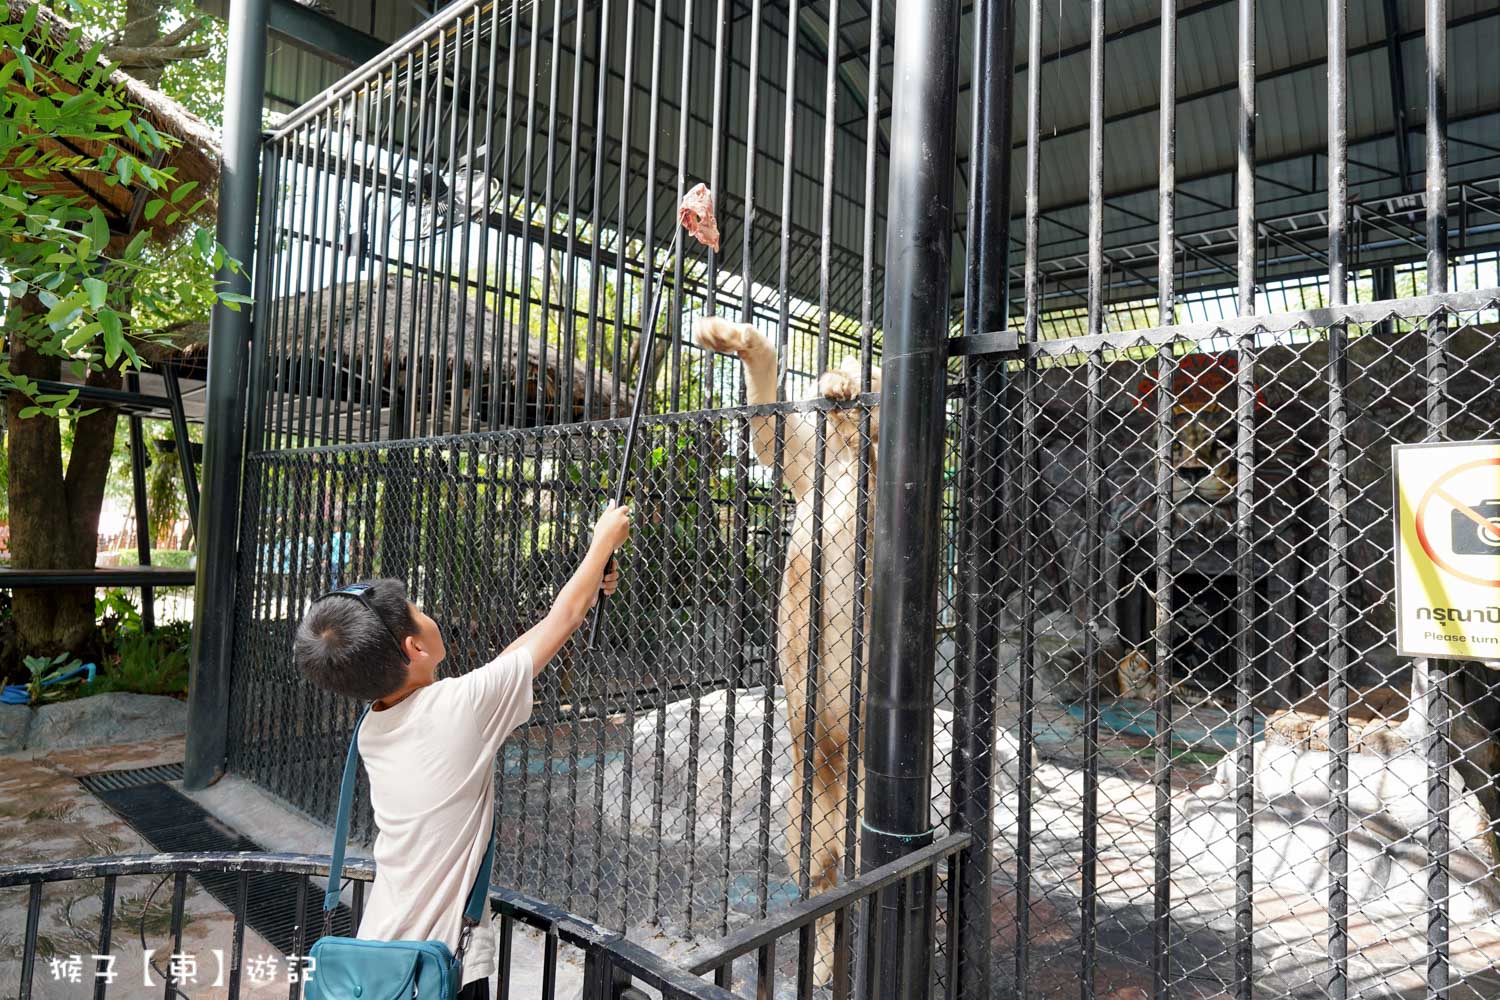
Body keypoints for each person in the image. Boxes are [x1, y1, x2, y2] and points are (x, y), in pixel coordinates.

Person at [292, 502, 632, 1000]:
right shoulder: (458, 709)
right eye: (417, 610)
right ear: (415, 647)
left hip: (375, 955)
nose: (427, 614)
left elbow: (510, 663)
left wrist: (587, 576)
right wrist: (603, 541)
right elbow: (563, 619)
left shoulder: (375, 722)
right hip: (439, 966)